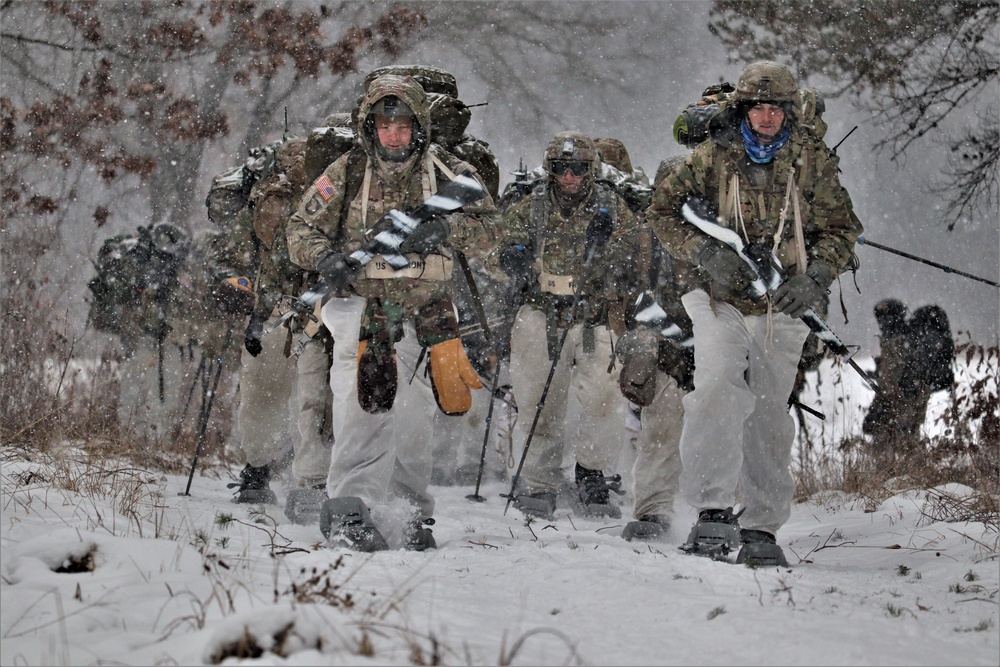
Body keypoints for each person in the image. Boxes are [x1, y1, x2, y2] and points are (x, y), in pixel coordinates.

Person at [645, 60, 863, 567]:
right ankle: (713, 511)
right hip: (717, 298)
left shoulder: (810, 160)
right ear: (744, 108)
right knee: (717, 389)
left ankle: (762, 525)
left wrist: (815, 279)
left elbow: (842, 228)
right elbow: (662, 211)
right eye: (758, 107)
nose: (766, 117)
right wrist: (704, 253)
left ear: (788, 111)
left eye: (776, 108)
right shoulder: (711, 155)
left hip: (782, 300)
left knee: (768, 411)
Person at [286, 73, 499, 552]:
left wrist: (445, 230)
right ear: (370, 126)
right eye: (384, 125)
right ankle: (349, 507)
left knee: (414, 414)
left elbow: (493, 230)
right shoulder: (346, 170)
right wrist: (324, 257)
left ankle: (405, 509)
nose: (393, 135)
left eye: (403, 125)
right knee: (362, 401)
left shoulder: (446, 170)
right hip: (360, 305)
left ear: (418, 126)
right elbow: (300, 227)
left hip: (426, 311)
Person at [494, 131, 646, 520]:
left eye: (578, 169)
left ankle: (592, 471)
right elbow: (497, 246)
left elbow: (636, 254)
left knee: (603, 399)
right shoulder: (531, 207)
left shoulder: (611, 207)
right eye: (562, 169)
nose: (570, 178)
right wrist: (512, 256)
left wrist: (606, 252)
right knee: (538, 401)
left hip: (593, 315)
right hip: (541, 310)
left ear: (590, 169)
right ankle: (538, 480)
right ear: (551, 169)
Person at [209, 134, 335, 518]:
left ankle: (304, 474)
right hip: (283, 302)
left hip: (315, 302)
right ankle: (264, 466)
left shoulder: (337, 191)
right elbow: (230, 251)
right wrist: (233, 282)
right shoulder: (268, 201)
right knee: (276, 392)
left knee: (310, 396)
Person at [863, 299, 954, 470]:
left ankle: (892, 477)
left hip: (902, 397)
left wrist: (881, 402)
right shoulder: (912, 335)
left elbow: (893, 375)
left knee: (892, 438)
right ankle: (915, 476)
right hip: (917, 394)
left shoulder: (896, 338)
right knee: (910, 438)